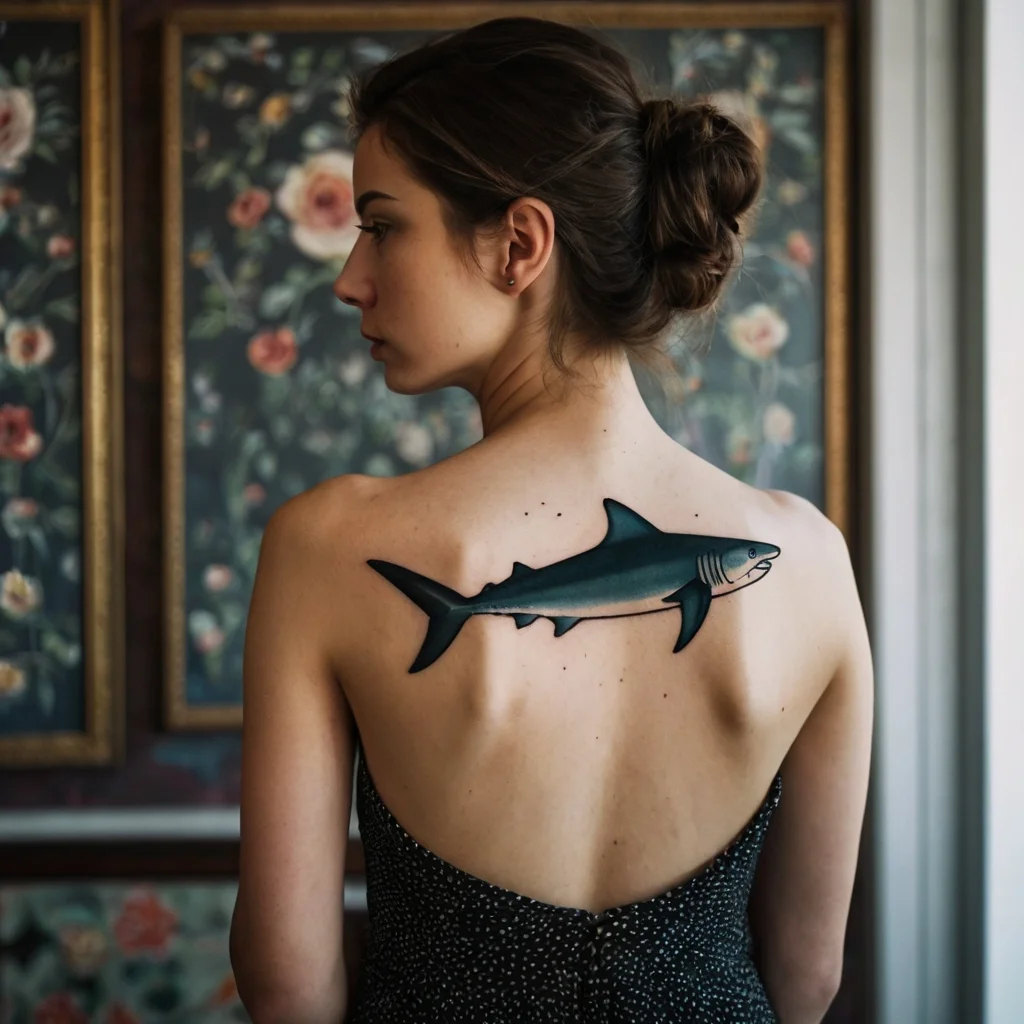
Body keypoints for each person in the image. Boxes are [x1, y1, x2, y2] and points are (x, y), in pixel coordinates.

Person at [229, 17, 873, 1024]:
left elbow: (288, 984)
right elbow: (805, 978)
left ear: (519, 243)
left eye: (383, 223)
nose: (350, 276)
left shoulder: (328, 548)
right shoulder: (811, 563)